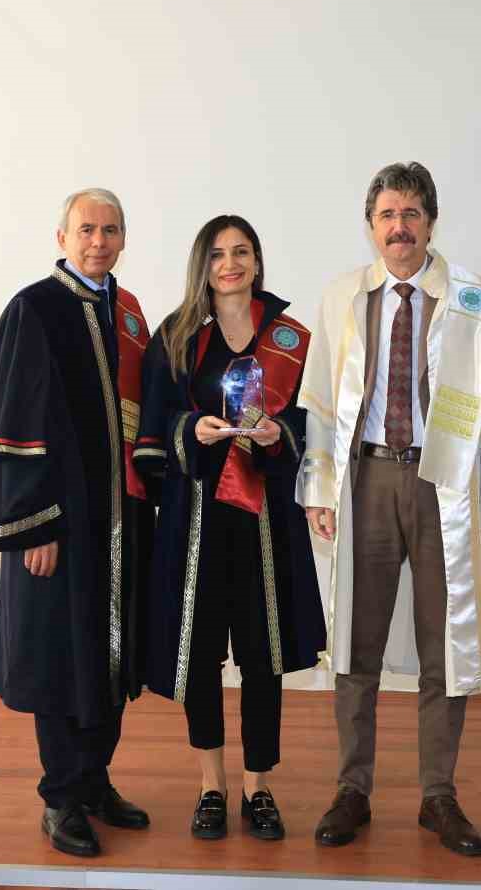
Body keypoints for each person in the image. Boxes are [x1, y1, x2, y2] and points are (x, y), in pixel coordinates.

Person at [298, 163, 481, 856]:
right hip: (366, 480)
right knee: (355, 643)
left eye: (410, 213)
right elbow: (320, 404)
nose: (398, 227)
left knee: (445, 644)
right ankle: (352, 789)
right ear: (371, 226)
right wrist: (319, 489)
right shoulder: (343, 296)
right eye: (387, 215)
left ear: (431, 222)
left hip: (445, 487)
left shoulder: (474, 299)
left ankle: (439, 796)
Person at [0, 188, 153, 858]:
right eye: (87, 229)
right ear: (62, 237)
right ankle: (61, 797)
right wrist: (33, 525)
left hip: (120, 520)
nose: (99, 241)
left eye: (111, 229)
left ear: (123, 238)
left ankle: (95, 780)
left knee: (110, 653)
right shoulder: (35, 309)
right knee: (61, 656)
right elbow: (16, 420)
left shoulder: (127, 314)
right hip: (60, 522)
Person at [135, 216, 325, 843]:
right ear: (204, 264)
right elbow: (156, 426)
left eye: (242, 252)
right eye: (217, 254)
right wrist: (191, 429)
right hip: (196, 519)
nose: (230, 264)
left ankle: (258, 787)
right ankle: (211, 785)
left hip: (266, 519)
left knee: (263, 653)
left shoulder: (291, 337)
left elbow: (312, 424)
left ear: (257, 261)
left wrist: (277, 435)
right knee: (199, 655)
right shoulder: (176, 336)